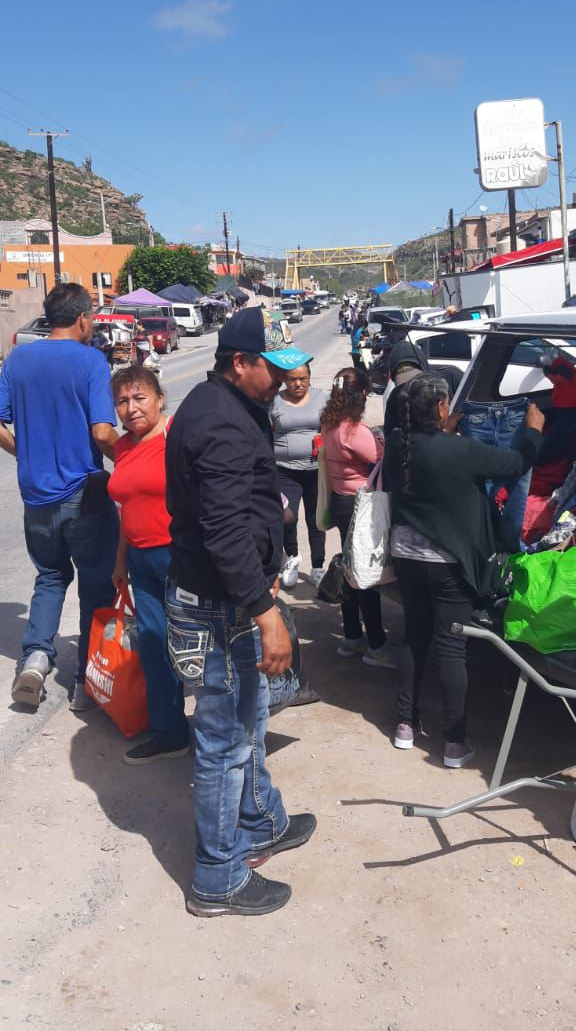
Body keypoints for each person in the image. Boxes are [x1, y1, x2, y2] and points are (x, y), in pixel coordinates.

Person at [165, 308, 317, 917]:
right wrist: (266, 612)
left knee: (249, 726)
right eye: (271, 369)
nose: (282, 379)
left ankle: (260, 822)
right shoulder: (222, 422)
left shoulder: (228, 406)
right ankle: (217, 879)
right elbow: (224, 531)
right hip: (218, 608)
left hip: (229, 599)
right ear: (238, 363)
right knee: (225, 744)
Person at [384, 373, 544, 767]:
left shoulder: (396, 445)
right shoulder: (460, 452)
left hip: (405, 556)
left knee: (414, 635)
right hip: (447, 565)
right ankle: (454, 743)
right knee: (452, 648)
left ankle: (405, 724)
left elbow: (428, 454)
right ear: (440, 407)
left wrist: (443, 431)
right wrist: (533, 432)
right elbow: (516, 463)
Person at [0, 283, 118, 710]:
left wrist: (23, 450)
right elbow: (103, 433)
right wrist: (133, 460)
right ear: (83, 317)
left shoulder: (19, 359)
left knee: (49, 578)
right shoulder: (90, 361)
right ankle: (87, 683)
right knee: (96, 585)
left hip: (35, 494)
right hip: (84, 493)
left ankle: (34, 659)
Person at [108, 366, 190, 764]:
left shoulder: (178, 436)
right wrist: (121, 561)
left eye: (139, 398)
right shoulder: (124, 447)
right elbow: (126, 509)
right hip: (140, 562)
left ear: (159, 398)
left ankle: (219, 735)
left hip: (180, 558)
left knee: (196, 649)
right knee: (156, 648)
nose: (131, 408)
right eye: (122, 401)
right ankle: (170, 732)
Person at [320, 366, 396, 667]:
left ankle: (352, 636)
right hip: (359, 505)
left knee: (352, 569)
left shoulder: (329, 423)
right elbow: (381, 457)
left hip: (341, 501)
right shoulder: (354, 431)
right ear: (362, 394)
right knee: (365, 575)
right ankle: (376, 644)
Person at [270, 363, 329, 589]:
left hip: (316, 469)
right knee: (287, 517)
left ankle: (317, 567)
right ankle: (292, 559)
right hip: (285, 470)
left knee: (317, 520)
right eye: (293, 379)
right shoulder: (274, 400)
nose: (298, 384)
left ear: (310, 378)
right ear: (285, 379)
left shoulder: (322, 397)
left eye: (303, 379)